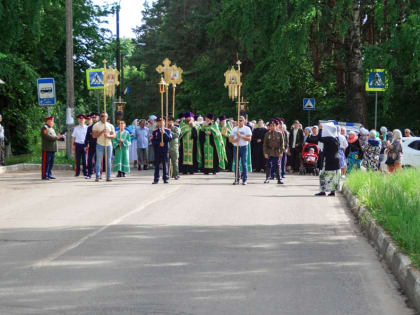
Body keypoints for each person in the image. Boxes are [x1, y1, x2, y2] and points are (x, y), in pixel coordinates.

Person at [315, 123, 340, 196]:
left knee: (323, 174)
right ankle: (332, 192)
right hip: (336, 159)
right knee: (334, 175)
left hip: (328, 159)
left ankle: (323, 191)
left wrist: (320, 129)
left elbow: (319, 138)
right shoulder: (336, 138)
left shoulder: (329, 138)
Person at [229, 115, 252, 185]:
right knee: (236, 164)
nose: (240, 121)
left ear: (244, 121)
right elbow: (230, 139)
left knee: (244, 164)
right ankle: (237, 179)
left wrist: (241, 136)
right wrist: (234, 140)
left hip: (243, 147)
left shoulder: (247, 128)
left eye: (241, 120)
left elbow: (249, 139)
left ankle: (244, 179)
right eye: (238, 120)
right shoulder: (234, 129)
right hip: (236, 147)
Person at [93, 112, 115, 182]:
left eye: (105, 116)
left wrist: (108, 136)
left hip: (108, 145)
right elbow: (94, 136)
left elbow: (114, 135)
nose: (103, 117)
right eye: (102, 116)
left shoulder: (110, 125)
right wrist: (101, 132)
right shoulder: (96, 125)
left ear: (107, 117)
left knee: (108, 161)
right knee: (99, 161)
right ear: (100, 117)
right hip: (100, 144)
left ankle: (108, 176)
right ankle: (97, 176)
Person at [151, 117, 172, 184]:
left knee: (165, 164)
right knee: (157, 165)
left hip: (165, 150)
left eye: (162, 121)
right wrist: (159, 143)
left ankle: (165, 178)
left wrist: (164, 133)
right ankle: (156, 179)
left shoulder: (168, 130)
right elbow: (153, 141)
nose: (161, 123)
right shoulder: (155, 132)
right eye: (159, 122)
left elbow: (169, 139)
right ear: (157, 123)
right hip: (157, 150)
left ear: (164, 122)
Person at [263, 119, 284, 184]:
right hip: (269, 152)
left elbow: (282, 144)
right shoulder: (267, 134)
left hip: (277, 152)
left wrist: (281, 152)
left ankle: (279, 179)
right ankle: (267, 178)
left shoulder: (280, 134)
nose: (272, 127)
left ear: (276, 126)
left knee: (277, 165)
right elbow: (265, 144)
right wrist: (265, 153)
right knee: (268, 165)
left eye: (274, 125)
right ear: (269, 126)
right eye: (271, 126)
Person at [84, 113, 99, 179]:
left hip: (99, 144)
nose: (94, 119)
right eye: (93, 117)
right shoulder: (89, 127)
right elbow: (87, 137)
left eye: (95, 117)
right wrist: (86, 144)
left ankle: (98, 174)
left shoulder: (100, 126)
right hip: (91, 145)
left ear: (98, 118)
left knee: (98, 160)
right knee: (90, 159)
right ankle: (89, 174)